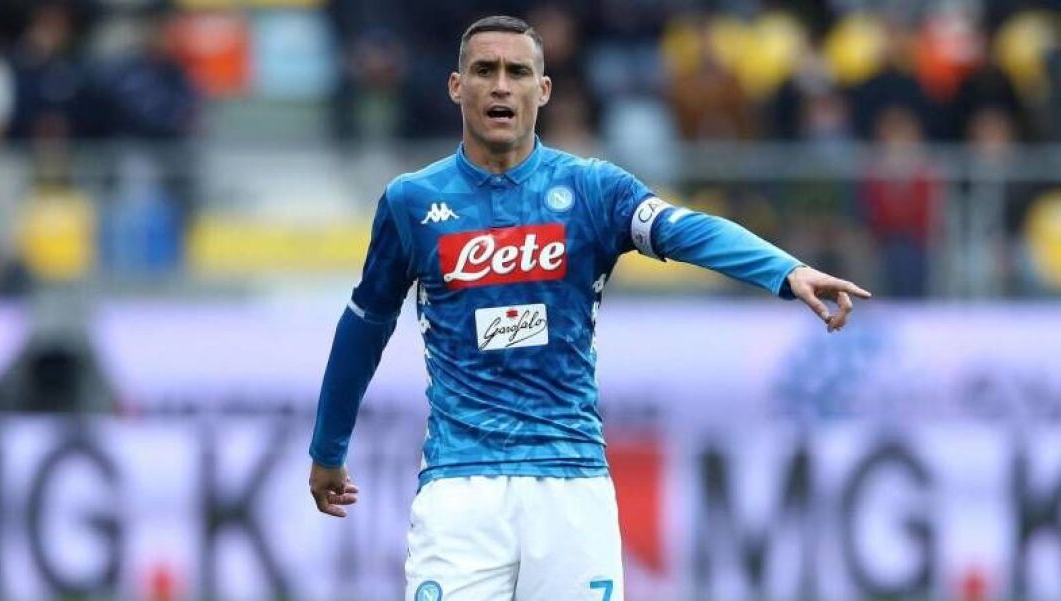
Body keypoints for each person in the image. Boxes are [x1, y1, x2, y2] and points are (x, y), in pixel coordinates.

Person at [308, 15, 871, 601]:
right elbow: (365, 326)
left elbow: (685, 229)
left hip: (570, 485)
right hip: (461, 487)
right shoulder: (412, 201)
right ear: (456, 86)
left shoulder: (593, 190)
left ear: (543, 89)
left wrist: (785, 271)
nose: (500, 85)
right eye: (484, 70)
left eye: (517, 72)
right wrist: (328, 448)